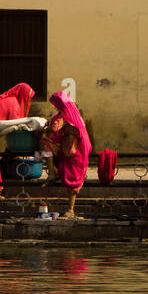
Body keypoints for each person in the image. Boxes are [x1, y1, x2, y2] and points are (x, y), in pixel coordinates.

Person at [42, 91, 92, 219]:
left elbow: (55, 130)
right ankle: (70, 209)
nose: (54, 106)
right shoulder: (75, 115)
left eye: (55, 104)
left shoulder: (65, 117)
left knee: (44, 144)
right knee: (74, 179)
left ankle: (70, 209)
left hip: (72, 152)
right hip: (78, 151)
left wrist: (45, 131)